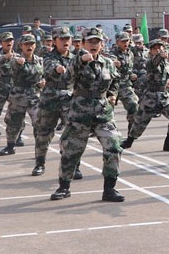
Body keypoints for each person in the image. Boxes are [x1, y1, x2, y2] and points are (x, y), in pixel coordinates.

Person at [50, 27, 124, 202]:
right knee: (71, 151)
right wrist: (80, 62)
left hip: (103, 112)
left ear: (102, 44)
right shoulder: (76, 61)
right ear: (83, 44)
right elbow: (66, 80)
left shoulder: (107, 63)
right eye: (90, 41)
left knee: (113, 146)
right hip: (80, 111)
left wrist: (113, 95)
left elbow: (115, 80)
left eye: (97, 42)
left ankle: (109, 189)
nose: (94, 45)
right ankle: (64, 187)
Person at [121, 39, 169, 151]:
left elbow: (162, 76)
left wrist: (166, 83)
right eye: (155, 48)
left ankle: (168, 142)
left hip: (164, 96)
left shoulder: (167, 63)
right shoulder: (149, 62)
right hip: (151, 98)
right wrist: (160, 55)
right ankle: (129, 141)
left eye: (160, 47)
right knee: (140, 123)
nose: (158, 50)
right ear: (151, 51)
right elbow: (154, 63)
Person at [32, 27, 75, 176]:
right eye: (62, 39)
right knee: (43, 133)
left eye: (67, 39)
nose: (65, 42)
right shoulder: (48, 57)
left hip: (68, 99)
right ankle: (40, 163)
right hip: (50, 99)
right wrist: (58, 69)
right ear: (55, 41)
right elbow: (50, 68)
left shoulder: (75, 58)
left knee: (72, 134)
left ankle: (73, 165)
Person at [0, 34, 44, 157]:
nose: (29, 46)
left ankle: (39, 150)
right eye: (26, 44)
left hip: (35, 95)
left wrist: (42, 83)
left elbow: (44, 74)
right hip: (18, 95)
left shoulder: (39, 60)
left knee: (39, 122)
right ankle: (10, 146)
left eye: (31, 44)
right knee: (14, 122)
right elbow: (8, 69)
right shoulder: (16, 60)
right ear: (21, 46)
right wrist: (18, 63)